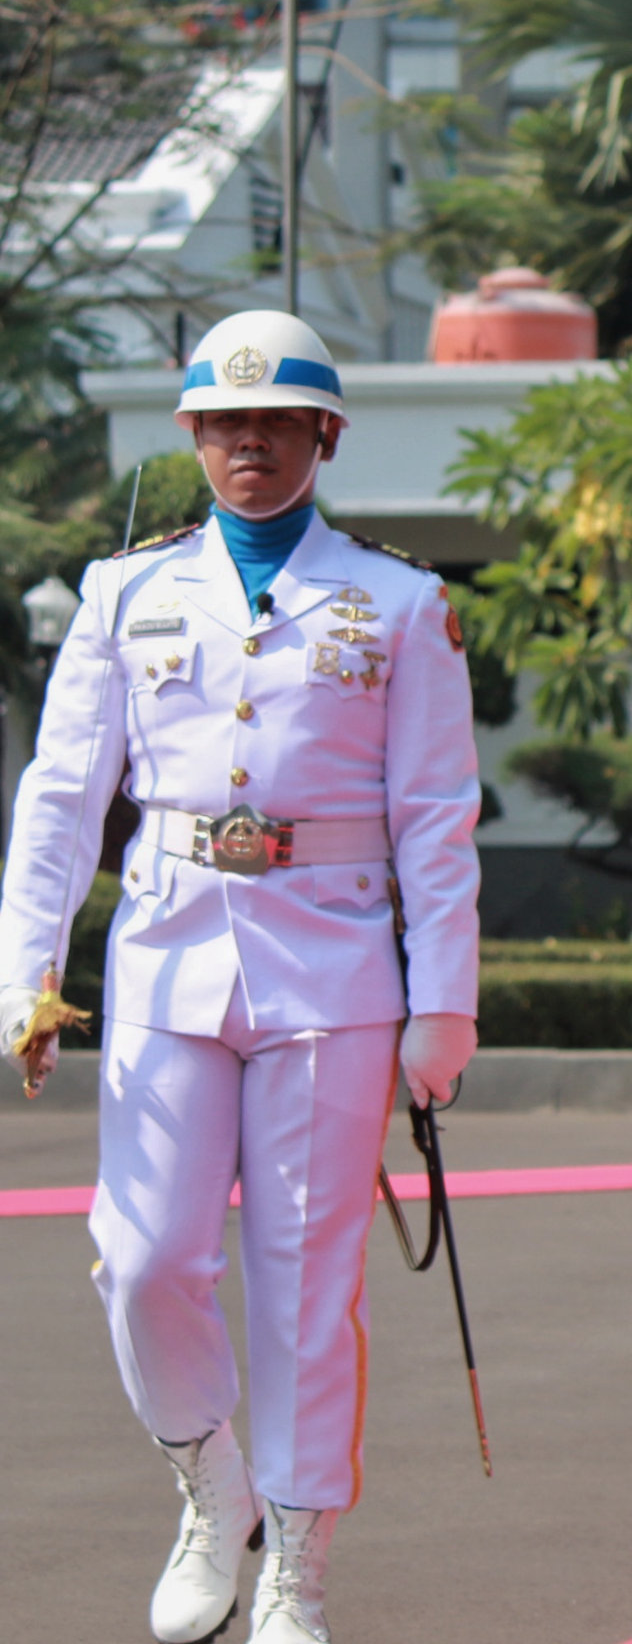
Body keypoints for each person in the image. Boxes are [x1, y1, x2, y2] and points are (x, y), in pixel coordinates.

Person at [0, 310, 482, 1644]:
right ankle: (211, 1480)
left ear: (324, 435)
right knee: (144, 1257)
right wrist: (24, 975)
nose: (250, 445)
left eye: (277, 423)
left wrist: (443, 1004)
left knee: (306, 1280)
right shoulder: (124, 593)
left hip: (332, 968)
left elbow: (438, 814)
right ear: (194, 436)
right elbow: (59, 800)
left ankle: (298, 1573)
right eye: (225, 422)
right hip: (165, 950)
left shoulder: (398, 603)